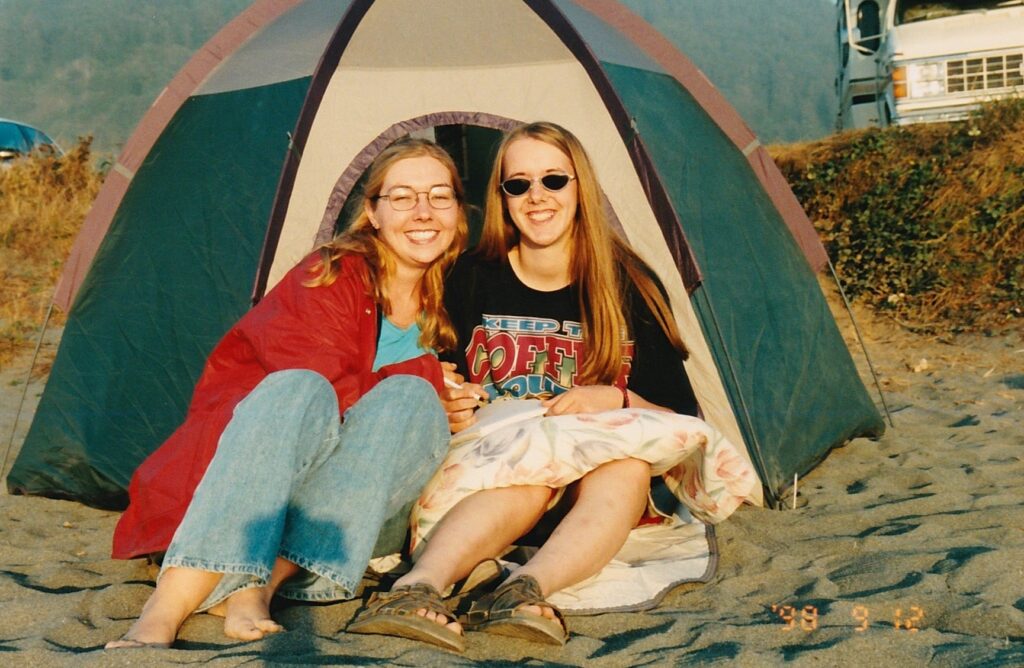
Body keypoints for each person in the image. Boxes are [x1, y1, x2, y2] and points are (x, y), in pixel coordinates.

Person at [348, 122, 755, 651]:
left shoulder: (625, 282)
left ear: (580, 186)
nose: (537, 197)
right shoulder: (469, 278)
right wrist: (443, 400)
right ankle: (415, 588)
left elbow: (679, 415)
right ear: (502, 198)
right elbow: (429, 374)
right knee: (531, 472)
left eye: (554, 180)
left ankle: (524, 590)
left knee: (626, 464)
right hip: (494, 485)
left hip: (595, 502)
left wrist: (616, 397)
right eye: (518, 185)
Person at [105, 137, 469, 649]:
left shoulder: (460, 292)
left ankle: (259, 584)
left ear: (458, 209)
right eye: (403, 197)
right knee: (302, 386)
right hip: (255, 490)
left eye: (439, 196)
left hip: (352, 514)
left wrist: (450, 401)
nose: (423, 212)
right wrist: (428, 377)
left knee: (410, 399)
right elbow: (317, 394)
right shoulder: (329, 274)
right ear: (372, 212)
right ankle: (170, 603)